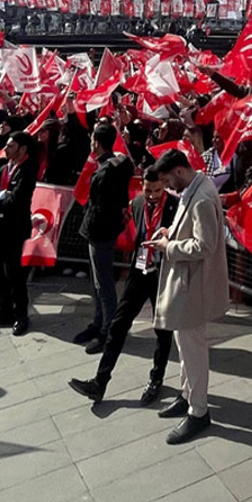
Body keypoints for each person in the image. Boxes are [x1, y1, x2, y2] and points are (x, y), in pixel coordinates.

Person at [67, 165, 179, 406]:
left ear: (164, 186)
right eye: (148, 190)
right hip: (139, 271)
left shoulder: (175, 206)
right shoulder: (137, 203)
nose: (152, 196)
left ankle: (156, 379)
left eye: (157, 191)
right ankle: (100, 381)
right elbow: (132, 231)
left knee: (162, 329)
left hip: (162, 273)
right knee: (118, 325)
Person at [146, 149, 230, 445]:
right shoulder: (194, 188)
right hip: (187, 284)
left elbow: (204, 246)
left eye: (169, 180)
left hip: (194, 287)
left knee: (192, 349)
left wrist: (168, 247)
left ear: (179, 171)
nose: (169, 187)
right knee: (184, 345)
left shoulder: (203, 198)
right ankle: (186, 395)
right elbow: (188, 229)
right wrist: (170, 232)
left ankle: (199, 411)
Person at [74, 122, 134, 354]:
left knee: (103, 284)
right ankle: (99, 322)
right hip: (104, 231)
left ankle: (108, 331)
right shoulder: (120, 163)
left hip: (99, 233)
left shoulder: (105, 170)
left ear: (96, 143)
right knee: (97, 282)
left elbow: (98, 205)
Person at [0, 131, 37, 337]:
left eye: (11, 146)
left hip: (14, 229)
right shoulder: (2, 168)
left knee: (15, 274)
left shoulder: (27, 170)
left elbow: (18, 200)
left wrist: (3, 198)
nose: (6, 149)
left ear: (22, 149)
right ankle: (4, 311)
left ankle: (21, 315)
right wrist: (1, 195)